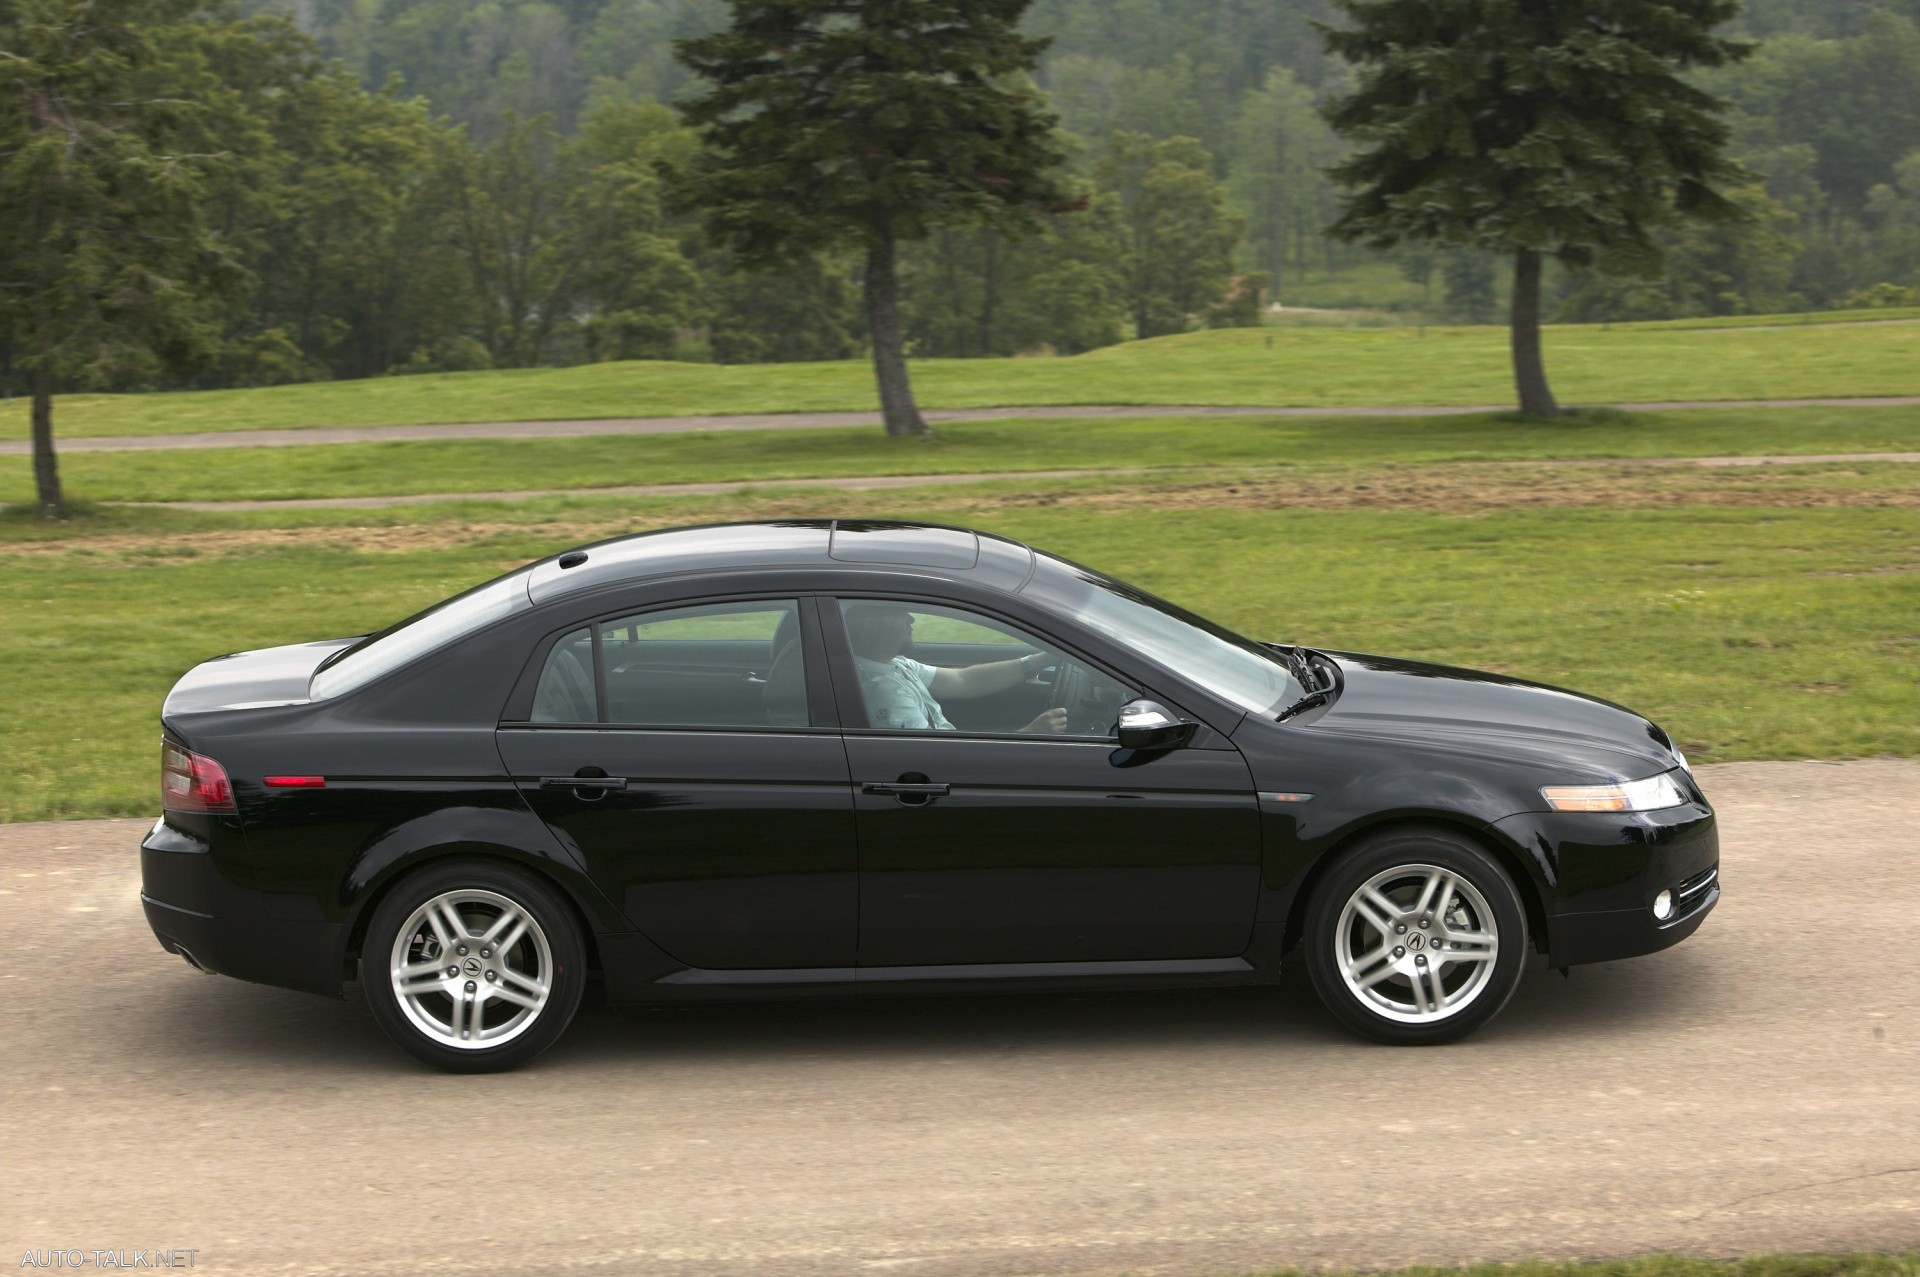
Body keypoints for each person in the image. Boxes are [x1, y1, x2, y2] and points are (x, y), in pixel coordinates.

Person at [844, 604, 1067, 733]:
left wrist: (1044, 659)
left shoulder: (891, 662)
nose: (910, 619)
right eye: (899, 612)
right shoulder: (882, 693)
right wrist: (1028, 736)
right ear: (870, 624)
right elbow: (937, 761)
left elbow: (964, 680)